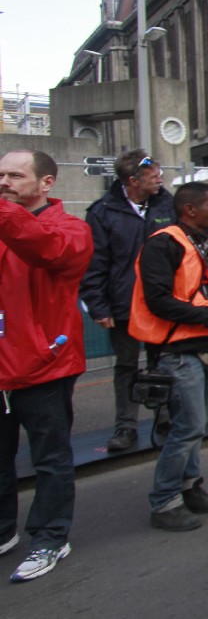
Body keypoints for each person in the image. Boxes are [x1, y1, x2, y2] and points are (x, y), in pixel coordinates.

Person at [0, 150, 92, 582]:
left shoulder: (70, 229)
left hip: (45, 366)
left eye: (15, 175)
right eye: (0, 174)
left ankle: (50, 538)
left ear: (46, 183)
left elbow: (45, 249)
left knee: (50, 459)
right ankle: (4, 530)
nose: (4, 182)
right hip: (5, 365)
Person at [129, 181, 208, 533]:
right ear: (190, 210)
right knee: (186, 427)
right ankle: (164, 502)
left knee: (195, 427)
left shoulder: (206, 243)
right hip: (177, 351)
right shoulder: (164, 243)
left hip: (207, 345)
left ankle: (190, 487)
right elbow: (158, 301)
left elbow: (206, 293)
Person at [80, 149, 175, 453]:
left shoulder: (168, 205)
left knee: (164, 361)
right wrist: (98, 306)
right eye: (153, 175)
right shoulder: (102, 212)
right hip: (124, 304)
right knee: (126, 366)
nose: (160, 179)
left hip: (163, 302)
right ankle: (126, 426)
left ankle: (165, 419)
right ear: (133, 181)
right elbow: (94, 263)